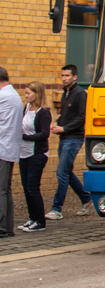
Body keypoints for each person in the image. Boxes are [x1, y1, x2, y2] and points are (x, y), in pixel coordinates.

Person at [46, 64, 91, 220]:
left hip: (74, 138)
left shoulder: (80, 94)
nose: (64, 78)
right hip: (64, 137)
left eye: (67, 76)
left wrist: (64, 128)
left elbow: (82, 117)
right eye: (62, 76)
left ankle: (56, 209)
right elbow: (66, 115)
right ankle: (86, 198)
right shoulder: (66, 93)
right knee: (66, 171)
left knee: (61, 173)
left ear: (75, 77)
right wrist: (57, 123)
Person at [17, 81, 51, 232]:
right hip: (23, 153)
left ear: (37, 94)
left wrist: (26, 137)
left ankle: (40, 221)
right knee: (26, 187)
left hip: (37, 154)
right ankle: (32, 218)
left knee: (32, 187)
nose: (26, 96)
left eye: (28, 93)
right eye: (25, 93)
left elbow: (44, 134)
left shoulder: (43, 112)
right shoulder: (26, 108)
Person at [0, 67, 23, 237]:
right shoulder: (14, 95)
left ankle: (1, 226)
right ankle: (7, 226)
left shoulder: (3, 96)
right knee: (5, 189)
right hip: (9, 148)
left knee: (1, 189)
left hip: (2, 147)